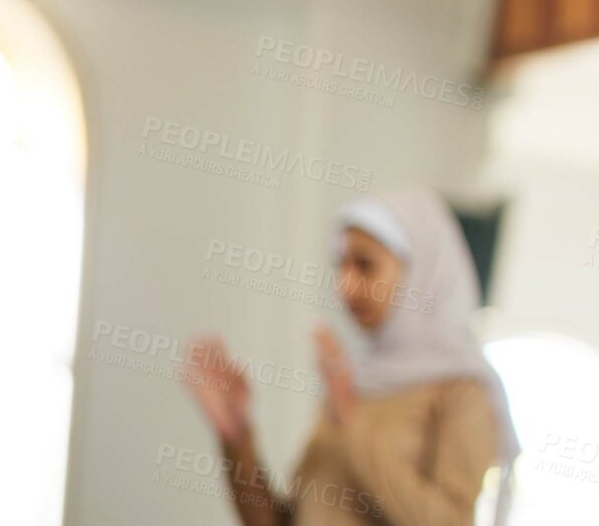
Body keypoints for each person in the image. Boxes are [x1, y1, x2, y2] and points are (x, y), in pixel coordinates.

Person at [184, 189, 520, 525]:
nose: (345, 285)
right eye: (341, 265)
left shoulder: (463, 393)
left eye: (365, 264)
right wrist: (237, 437)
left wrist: (352, 421)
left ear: (421, 270)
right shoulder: (357, 383)